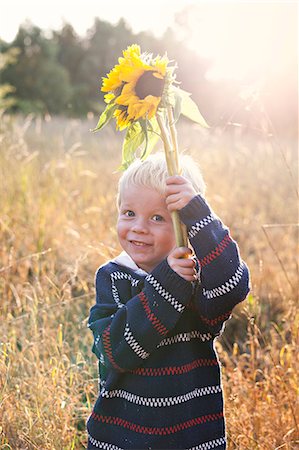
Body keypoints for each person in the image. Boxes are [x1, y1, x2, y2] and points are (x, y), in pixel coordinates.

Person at [86, 153, 250, 450]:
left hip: (191, 438)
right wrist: (166, 282)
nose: (138, 227)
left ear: (183, 227)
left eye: (157, 218)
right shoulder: (112, 277)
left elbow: (232, 285)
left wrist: (199, 214)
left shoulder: (198, 279)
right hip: (122, 438)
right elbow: (114, 352)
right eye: (129, 213)